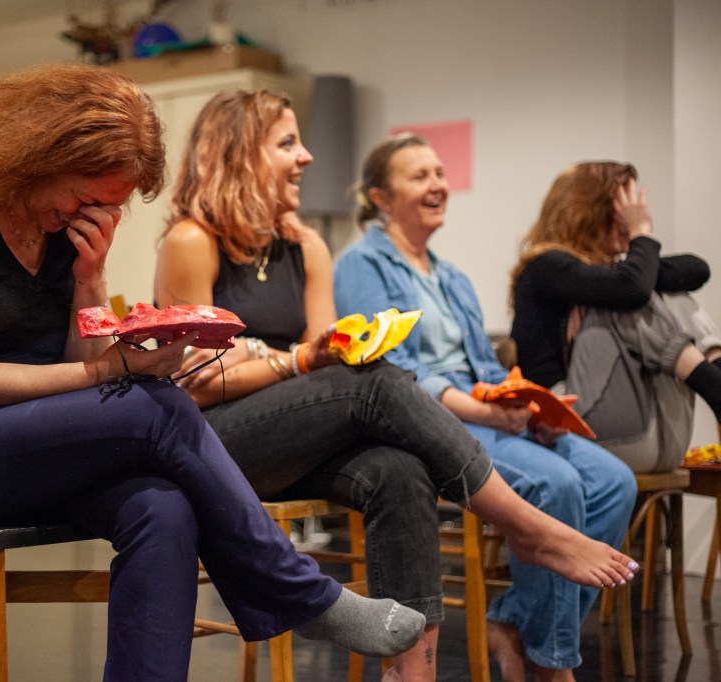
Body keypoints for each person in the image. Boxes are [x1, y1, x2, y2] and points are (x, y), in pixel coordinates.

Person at [0, 64, 434, 681]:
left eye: (111, 205)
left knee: (163, 508)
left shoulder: (61, 230)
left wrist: (90, 280)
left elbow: (76, 366)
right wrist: (114, 370)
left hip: (16, 444)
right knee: (150, 403)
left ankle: (284, 597)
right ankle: (300, 593)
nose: (92, 213)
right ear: (40, 156)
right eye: (87, 198)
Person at [155, 91, 638, 682]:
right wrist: (296, 359)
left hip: (293, 437)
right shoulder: (192, 240)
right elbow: (197, 379)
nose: (307, 156)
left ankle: (412, 672)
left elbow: (323, 359)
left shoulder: (306, 246)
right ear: (239, 155)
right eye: (288, 143)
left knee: (401, 469)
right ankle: (527, 527)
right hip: (213, 443)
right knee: (374, 381)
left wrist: (271, 356)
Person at [333, 133, 639, 682]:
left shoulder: (452, 276)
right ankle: (552, 664)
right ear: (381, 198)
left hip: (483, 411)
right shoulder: (361, 265)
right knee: (557, 486)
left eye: (439, 173)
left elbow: (488, 370)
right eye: (419, 176)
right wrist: (486, 413)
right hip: (427, 421)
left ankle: (515, 621)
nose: (437, 184)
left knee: (615, 482)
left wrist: (529, 405)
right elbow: (388, 370)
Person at [510, 161, 721, 473]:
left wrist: (632, 270)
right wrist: (641, 233)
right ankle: (711, 379)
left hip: (650, 436)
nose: (629, 219)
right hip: (567, 425)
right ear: (588, 211)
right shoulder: (544, 266)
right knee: (619, 301)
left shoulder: (609, 276)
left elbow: (697, 269)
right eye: (622, 209)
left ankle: (713, 367)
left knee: (662, 293)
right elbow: (632, 288)